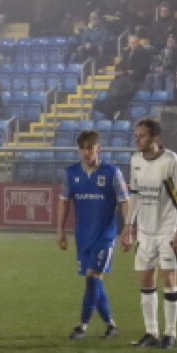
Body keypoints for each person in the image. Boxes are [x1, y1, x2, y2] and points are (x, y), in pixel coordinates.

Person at [121, 117, 177, 349]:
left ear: (155, 138)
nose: (137, 139)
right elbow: (135, 194)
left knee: (169, 279)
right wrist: (128, 225)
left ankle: (170, 334)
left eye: (141, 135)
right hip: (145, 231)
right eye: (136, 135)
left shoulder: (171, 160)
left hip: (168, 229)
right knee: (146, 280)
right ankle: (151, 332)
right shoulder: (135, 160)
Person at [57, 130, 130, 340]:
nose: (86, 153)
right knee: (94, 281)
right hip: (83, 237)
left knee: (92, 278)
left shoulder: (112, 172)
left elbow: (125, 201)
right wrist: (60, 231)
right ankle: (111, 326)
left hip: (105, 236)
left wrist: (127, 228)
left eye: (90, 148)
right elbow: (64, 202)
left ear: (98, 148)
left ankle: (82, 325)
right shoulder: (71, 174)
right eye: (83, 149)